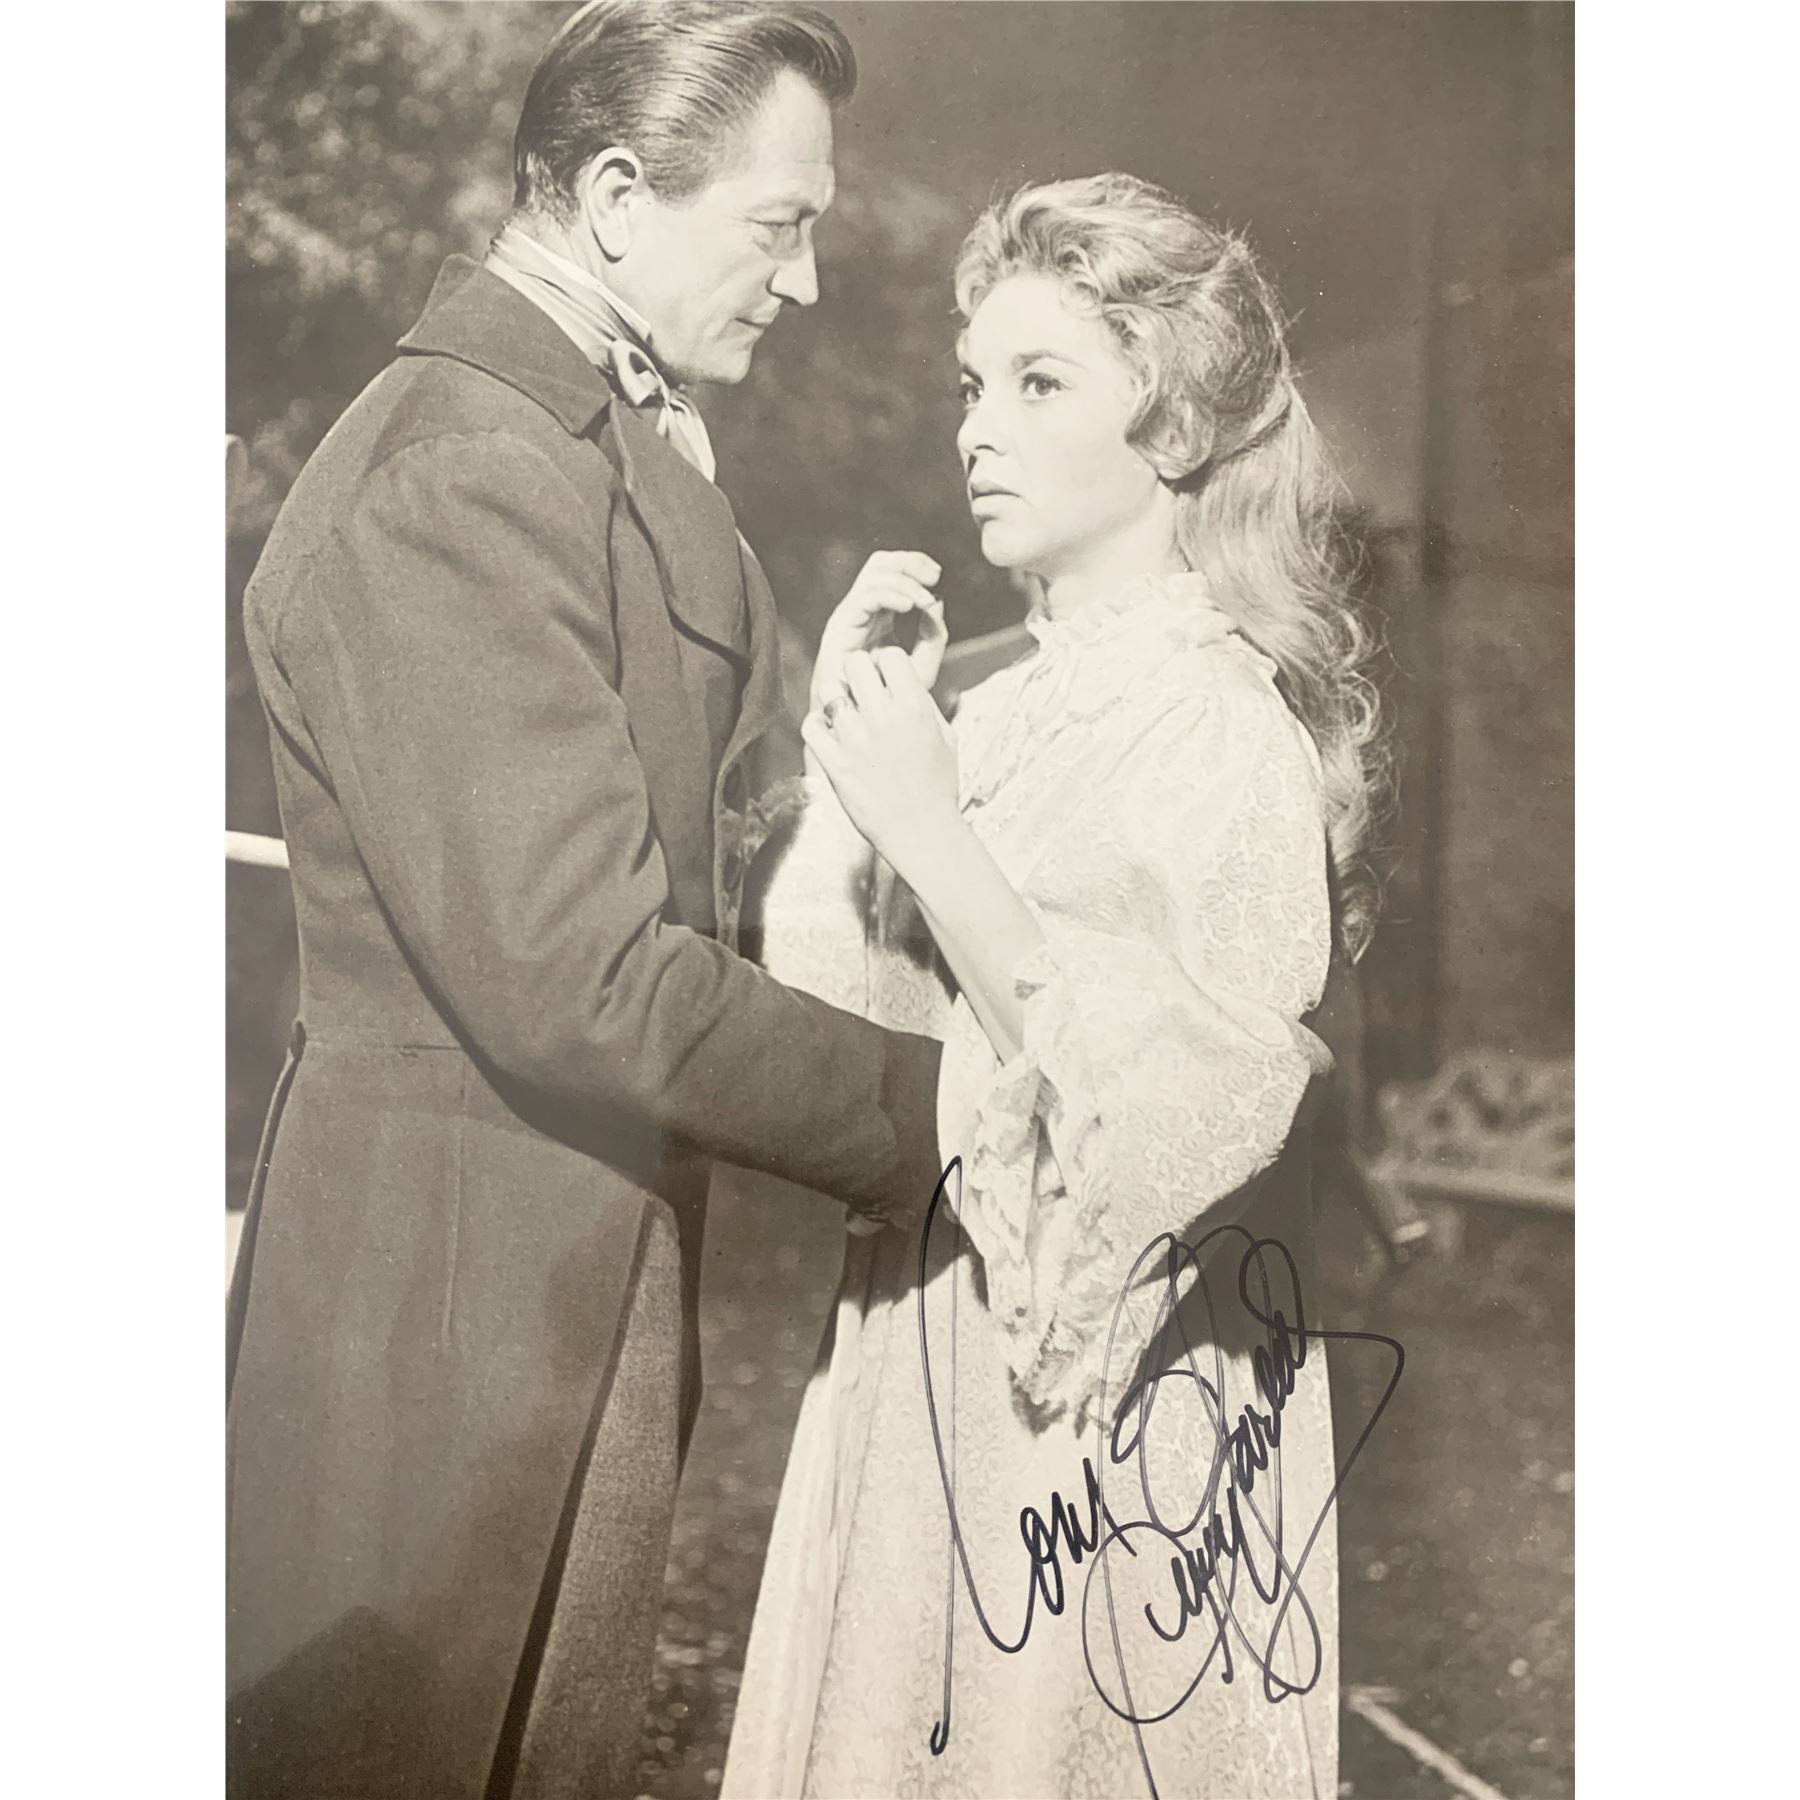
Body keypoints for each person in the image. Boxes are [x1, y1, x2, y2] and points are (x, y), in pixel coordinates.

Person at [225, 6, 952, 1796]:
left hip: (559, 1262)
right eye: (778, 225)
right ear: (620, 199)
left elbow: (671, 828)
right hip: (446, 1301)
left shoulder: (591, 443)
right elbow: (591, 978)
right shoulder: (466, 469)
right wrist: (959, 1120)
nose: (804, 281)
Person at [723, 173, 1389, 1798]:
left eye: (1038, 384)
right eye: (972, 386)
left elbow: (1169, 1130)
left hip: (1114, 1403)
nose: (977, 431)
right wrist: (853, 758)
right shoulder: (998, 707)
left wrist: (932, 831)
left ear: (1175, 426)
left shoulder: (1222, 723)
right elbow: (857, 1045)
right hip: (927, 1343)